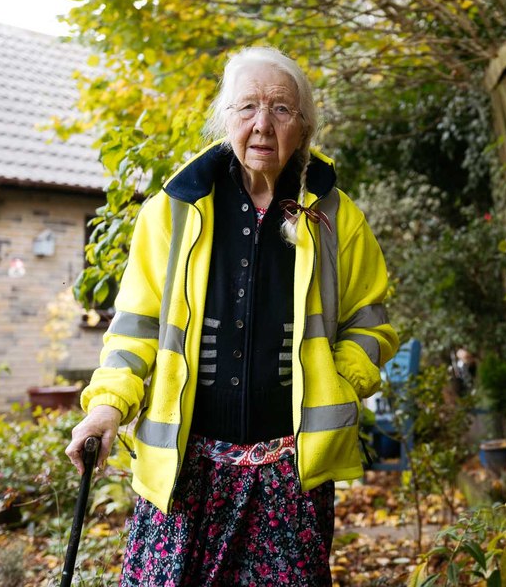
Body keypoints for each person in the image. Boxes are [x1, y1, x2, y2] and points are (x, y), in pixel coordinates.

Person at [65, 46, 399, 585]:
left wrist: (341, 381)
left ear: (305, 125)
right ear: (225, 118)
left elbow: (370, 321)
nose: (262, 124)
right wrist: (106, 408)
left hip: (291, 479)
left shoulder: (337, 218)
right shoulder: (174, 211)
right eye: (247, 107)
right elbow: (136, 326)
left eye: (281, 109)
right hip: (185, 474)